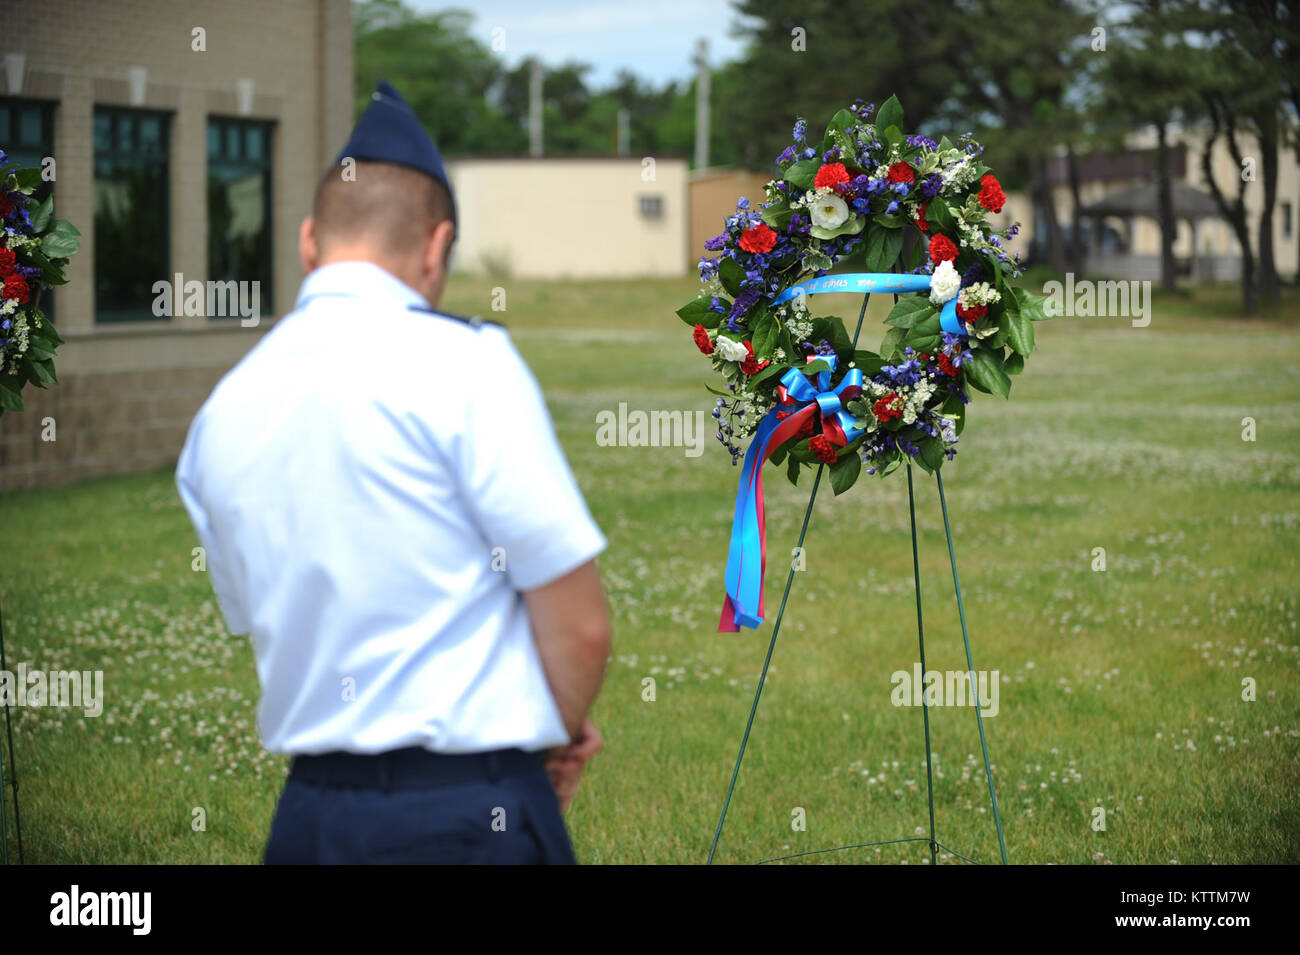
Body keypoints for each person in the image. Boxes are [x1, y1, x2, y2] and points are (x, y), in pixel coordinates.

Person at [175, 81, 611, 864]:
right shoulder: (469, 363)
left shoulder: (222, 410)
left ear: (309, 241)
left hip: (310, 821)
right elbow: (578, 622)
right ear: (438, 246)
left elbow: (264, 618)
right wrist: (551, 741)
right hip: (470, 817)